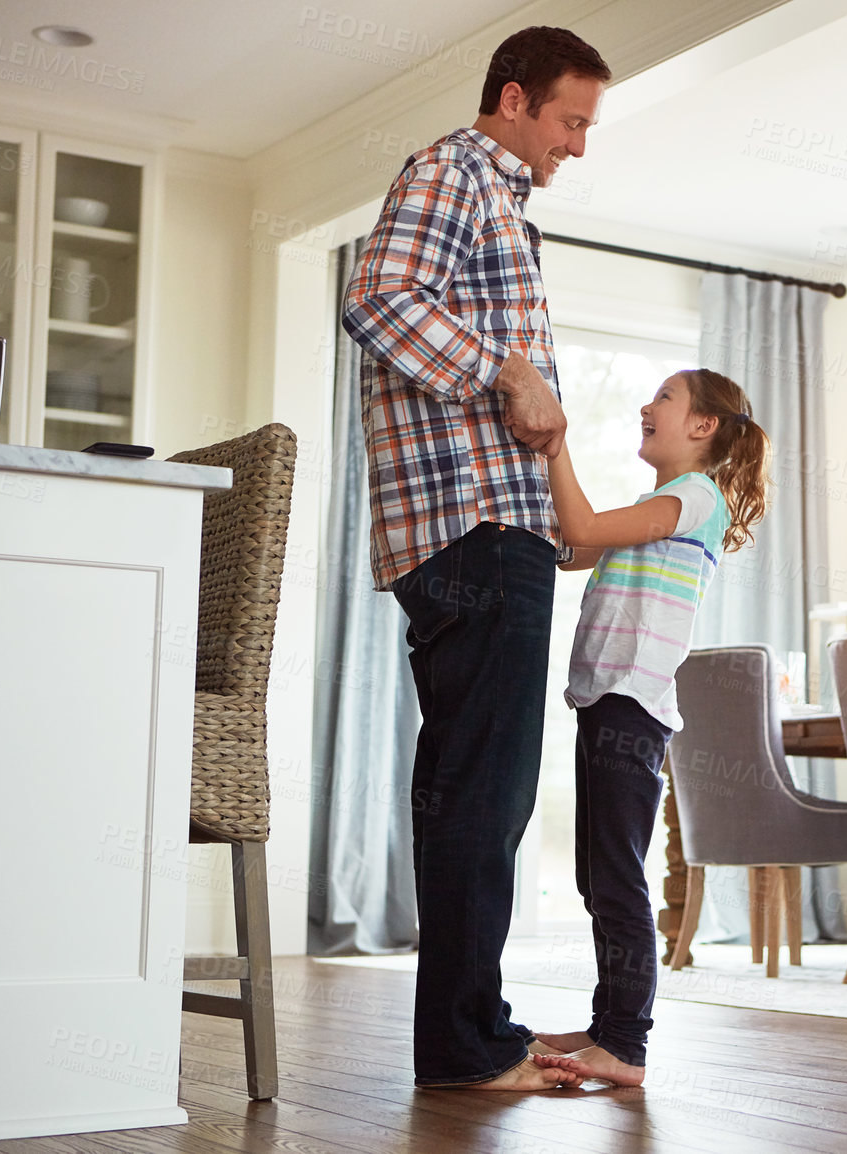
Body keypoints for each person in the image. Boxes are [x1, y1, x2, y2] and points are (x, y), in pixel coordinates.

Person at [339, 26, 610, 1092]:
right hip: (472, 533)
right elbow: (378, 300)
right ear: (514, 98)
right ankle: (463, 1042)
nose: (579, 146)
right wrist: (509, 372)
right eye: (570, 120)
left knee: (475, 795)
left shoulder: (498, 203)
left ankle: (472, 1022)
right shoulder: (455, 169)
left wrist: (557, 509)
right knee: (483, 793)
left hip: (493, 528)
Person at [528, 369, 771, 1087]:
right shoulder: (662, 504)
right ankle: (609, 1026)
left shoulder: (694, 497)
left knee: (618, 879)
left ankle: (626, 1046)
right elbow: (575, 551)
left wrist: (556, 442)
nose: (647, 405)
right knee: (597, 875)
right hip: (610, 700)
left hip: (632, 705)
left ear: (702, 427)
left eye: (664, 398)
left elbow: (581, 530)